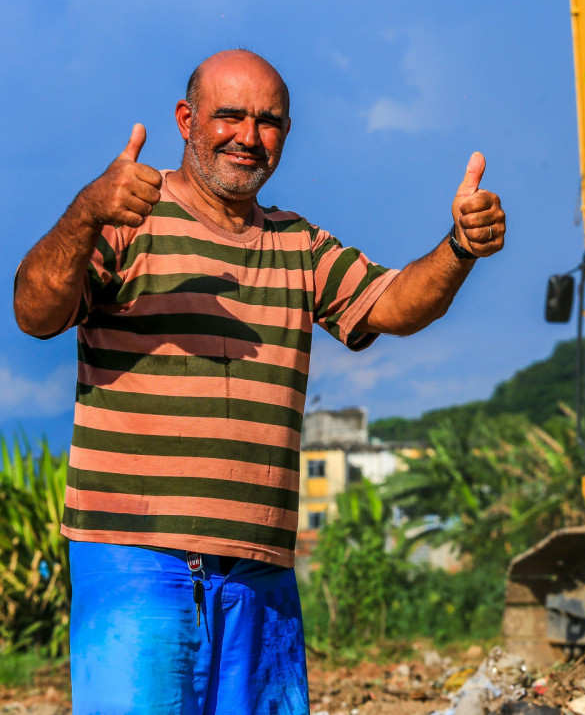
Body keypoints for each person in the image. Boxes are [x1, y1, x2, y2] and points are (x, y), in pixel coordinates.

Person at [12, 49, 505, 714]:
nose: (248, 136)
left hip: (258, 573)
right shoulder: (128, 219)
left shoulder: (298, 245)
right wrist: (85, 213)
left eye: (268, 121)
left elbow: (392, 303)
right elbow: (34, 312)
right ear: (187, 120)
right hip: (137, 565)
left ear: (287, 134)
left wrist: (459, 246)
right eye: (230, 116)